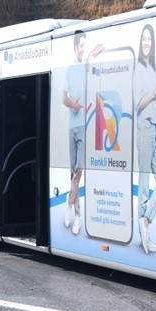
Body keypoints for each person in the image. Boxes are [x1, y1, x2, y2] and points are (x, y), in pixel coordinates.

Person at [61, 32, 103, 235]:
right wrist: (74, 105)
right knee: (73, 171)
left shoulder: (86, 64)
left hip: (84, 126)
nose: (83, 49)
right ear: (75, 47)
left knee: (79, 168)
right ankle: (77, 215)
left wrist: (90, 55)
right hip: (72, 126)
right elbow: (64, 99)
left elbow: (101, 46)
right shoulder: (70, 69)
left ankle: (68, 203)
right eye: (81, 46)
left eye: (85, 46)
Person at [134, 24, 156, 254]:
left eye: (150, 39)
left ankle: (145, 221)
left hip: (154, 128)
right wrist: (154, 92)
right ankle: (143, 233)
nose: (147, 43)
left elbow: (151, 99)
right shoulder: (139, 68)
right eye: (144, 39)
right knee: (144, 182)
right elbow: (138, 104)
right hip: (144, 128)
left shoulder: (151, 67)